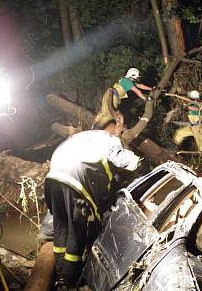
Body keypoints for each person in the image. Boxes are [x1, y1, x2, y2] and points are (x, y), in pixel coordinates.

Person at [44, 121, 141, 288]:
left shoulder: (86, 136)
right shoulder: (111, 139)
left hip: (53, 177)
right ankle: (70, 278)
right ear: (114, 129)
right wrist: (137, 162)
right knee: (78, 231)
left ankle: (60, 271)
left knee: (61, 226)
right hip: (76, 183)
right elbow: (122, 159)